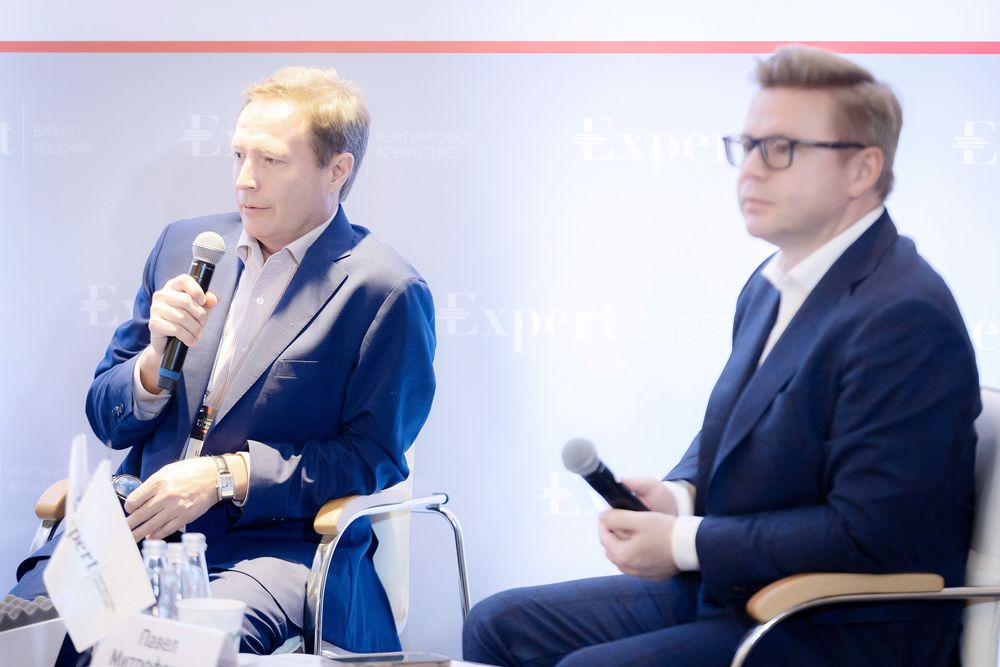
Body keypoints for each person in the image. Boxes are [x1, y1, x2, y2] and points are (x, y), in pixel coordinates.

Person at [463, 45, 981, 666]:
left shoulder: (903, 314)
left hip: (844, 626)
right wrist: (678, 497)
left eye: (781, 148)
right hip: (742, 589)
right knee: (500, 624)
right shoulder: (770, 284)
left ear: (862, 170)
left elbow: (866, 533)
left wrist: (685, 541)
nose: (751, 170)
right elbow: (736, 435)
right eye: (748, 145)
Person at [12, 66, 436, 655]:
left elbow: (371, 458)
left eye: (271, 161)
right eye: (239, 155)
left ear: (336, 171)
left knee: (173, 649)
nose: (244, 180)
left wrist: (225, 476)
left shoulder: (384, 290)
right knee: (26, 635)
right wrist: (152, 362)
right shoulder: (183, 246)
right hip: (136, 521)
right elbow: (108, 419)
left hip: (276, 547)